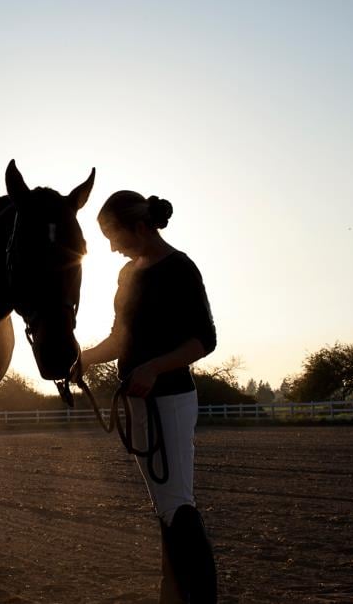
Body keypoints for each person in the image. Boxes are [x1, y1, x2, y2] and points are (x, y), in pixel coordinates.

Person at [78, 190, 218, 603]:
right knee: (166, 506)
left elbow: (204, 340)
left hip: (170, 401)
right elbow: (122, 339)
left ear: (140, 227)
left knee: (177, 505)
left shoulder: (180, 269)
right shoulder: (127, 275)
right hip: (138, 402)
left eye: (114, 235)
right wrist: (83, 359)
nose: (111, 246)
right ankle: (171, 592)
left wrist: (155, 367)